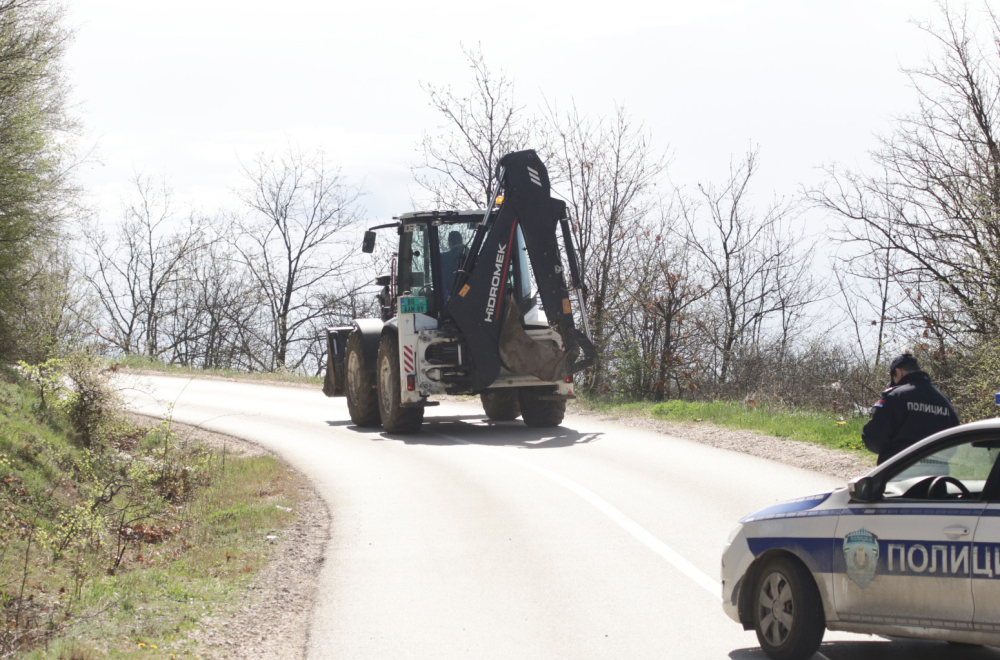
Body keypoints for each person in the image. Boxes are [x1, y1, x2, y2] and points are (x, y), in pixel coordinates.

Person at [861, 353, 959, 464]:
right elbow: (954, 441)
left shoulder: (895, 396)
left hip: (899, 471)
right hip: (936, 474)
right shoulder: (943, 401)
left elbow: (874, 437)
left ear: (898, 372)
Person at [439, 230, 466, 303]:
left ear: (450, 243)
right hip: (468, 296)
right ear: (461, 240)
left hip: (451, 300)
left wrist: (447, 299)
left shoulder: (443, 258)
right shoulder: (473, 255)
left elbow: (442, 281)